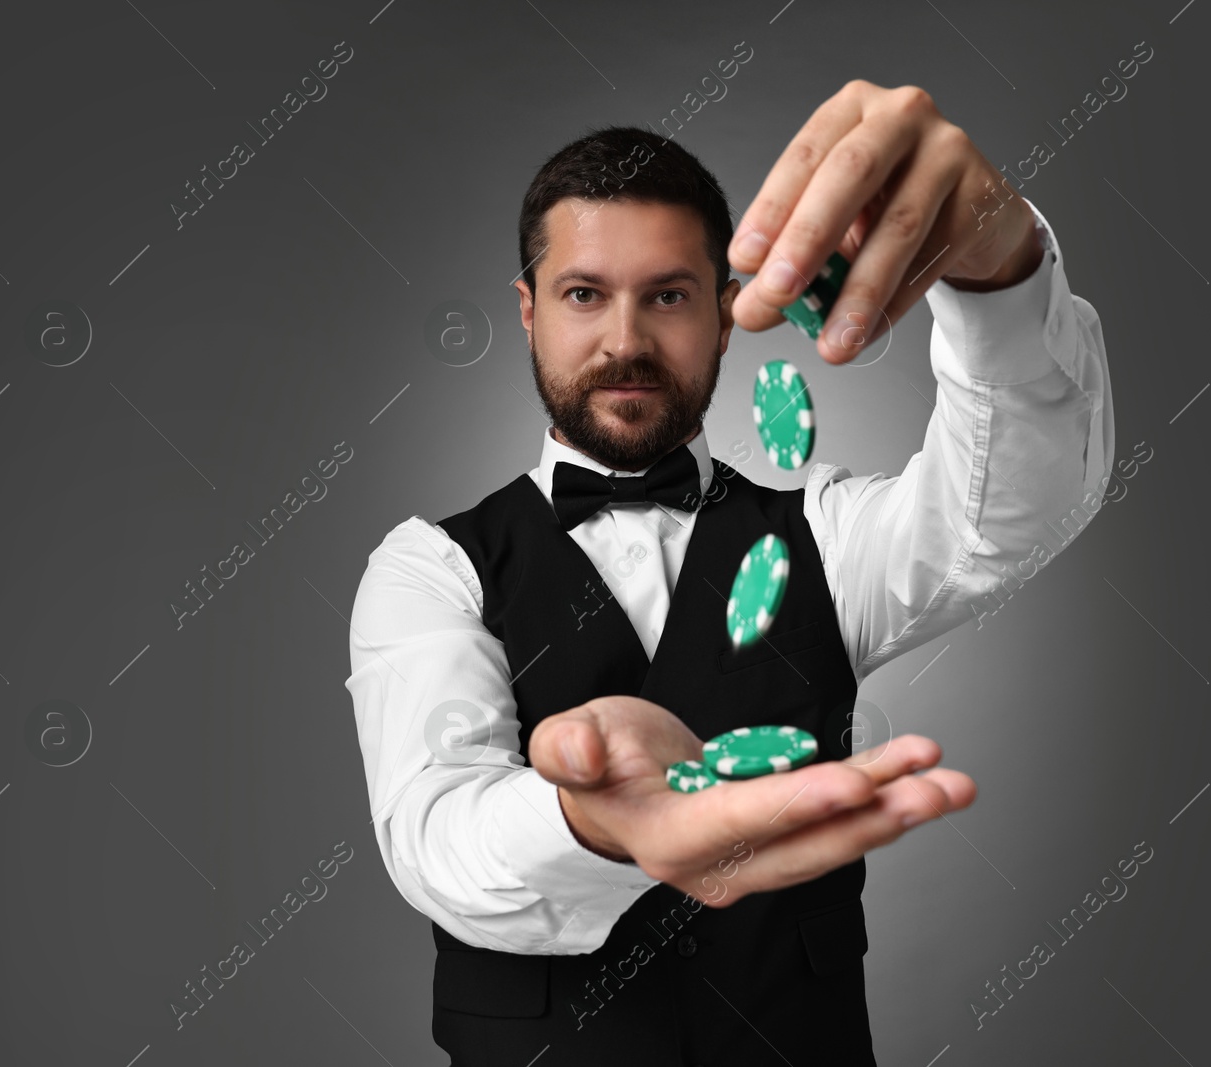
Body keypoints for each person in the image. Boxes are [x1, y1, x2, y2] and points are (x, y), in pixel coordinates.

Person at [346, 79, 1114, 1066]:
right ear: (529, 312)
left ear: (720, 313)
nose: (625, 341)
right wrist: (595, 822)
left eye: (667, 295)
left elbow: (1015, 511)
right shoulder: (430, 567)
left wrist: (997, 272)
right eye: (585, 295)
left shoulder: (823, 534)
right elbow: (435, 834)